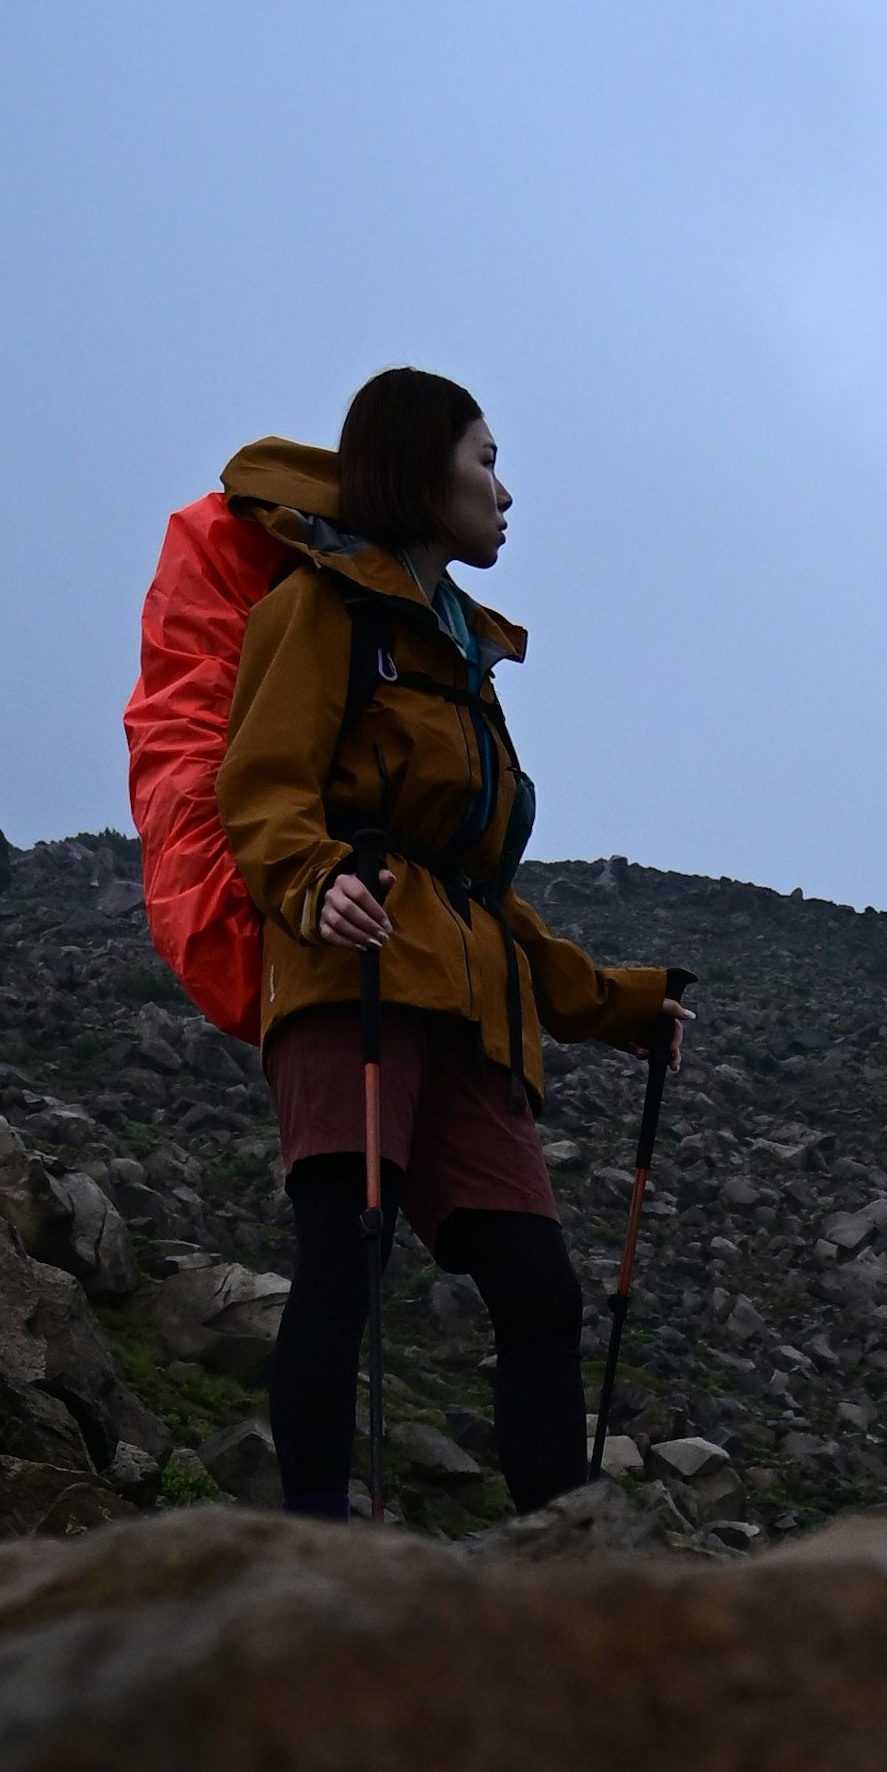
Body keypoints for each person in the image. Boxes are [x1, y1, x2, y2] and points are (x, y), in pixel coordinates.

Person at [213, 372, 683, 1517]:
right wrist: (315, 881)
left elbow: (481, 897)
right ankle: (313, 1550)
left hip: (470, 1005)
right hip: (352, 972)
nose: (505, 490)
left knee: (539, 1293)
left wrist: (617, 1006)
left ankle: (556, 1573)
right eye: (484, 461)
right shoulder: (321, 610)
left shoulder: (467, 661)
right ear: (422, 471)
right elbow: (261, 789)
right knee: (344, 1257)